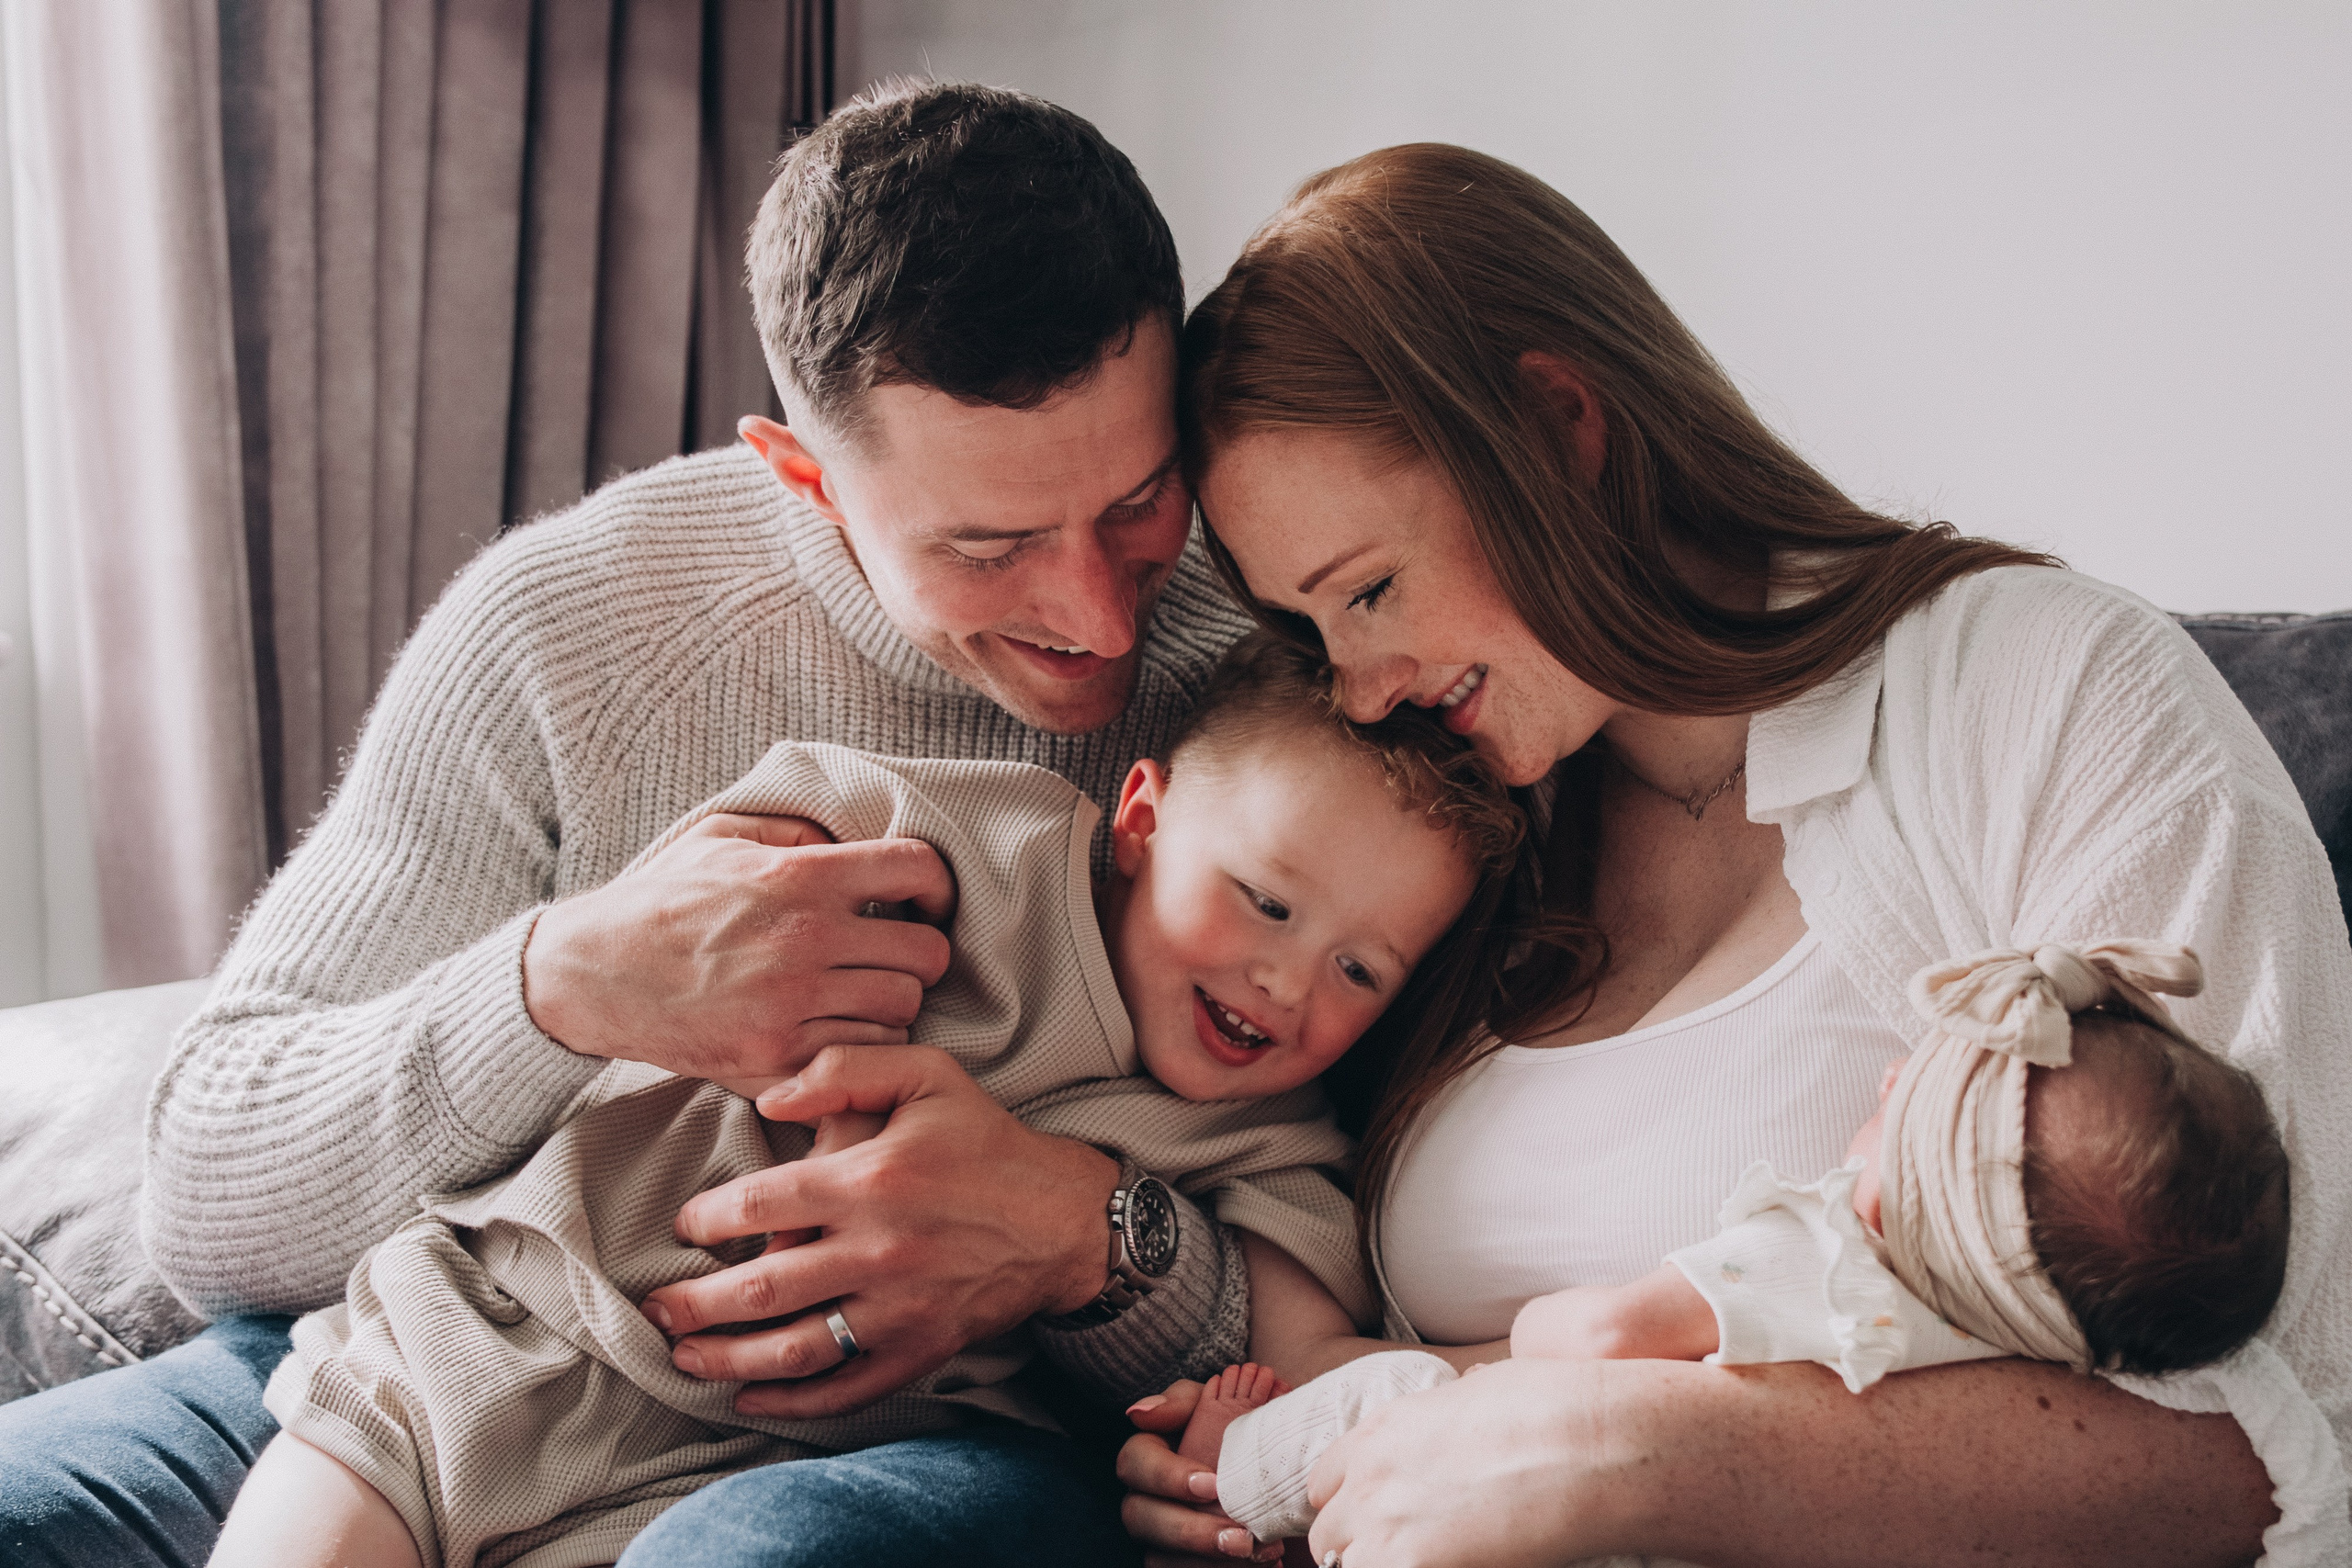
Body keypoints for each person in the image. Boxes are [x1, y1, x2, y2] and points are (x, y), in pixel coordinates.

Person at [0, 81, 1260, 1568]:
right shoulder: (570, 626)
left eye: (1138, 501)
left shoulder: (1273, 665)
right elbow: (206, 1198)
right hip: (465, 1344)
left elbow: (1355, 1236)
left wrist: (1089, 1236)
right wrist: (560, 986)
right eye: (988, 549)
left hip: (929, 1437)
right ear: (805, 478)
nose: (1099, 611)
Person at [1115, 141, 2352, 1568]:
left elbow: (2301, 1418)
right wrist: (1286, 1448)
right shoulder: (1449, 831)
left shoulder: (2042, 685)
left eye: (1372, 590)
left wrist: (1641, 1449)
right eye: (1312, 634)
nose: (1360, 687)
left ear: (1560, 425)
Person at [209, 634, 1525, 1568]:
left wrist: (1322, 1421)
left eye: (1361, 965)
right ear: (1141, 817)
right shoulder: (961, 844)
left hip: (741, 1466)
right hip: (490, 1339)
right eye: (1267, 899)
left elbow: (1323, 1360)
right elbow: (725, 880)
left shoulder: (1280, 1140)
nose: (1286, 978)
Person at [1195, 942, 2332, 1556]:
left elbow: (1586, 1338)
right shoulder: (2032, 1369)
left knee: (1397, 1397)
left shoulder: (1828, 1261)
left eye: (1909, 1104)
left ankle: (1238, 1472)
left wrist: (1543, 1334)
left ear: (1898, 1207)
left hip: (1579, 1528)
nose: (1886, 1076)